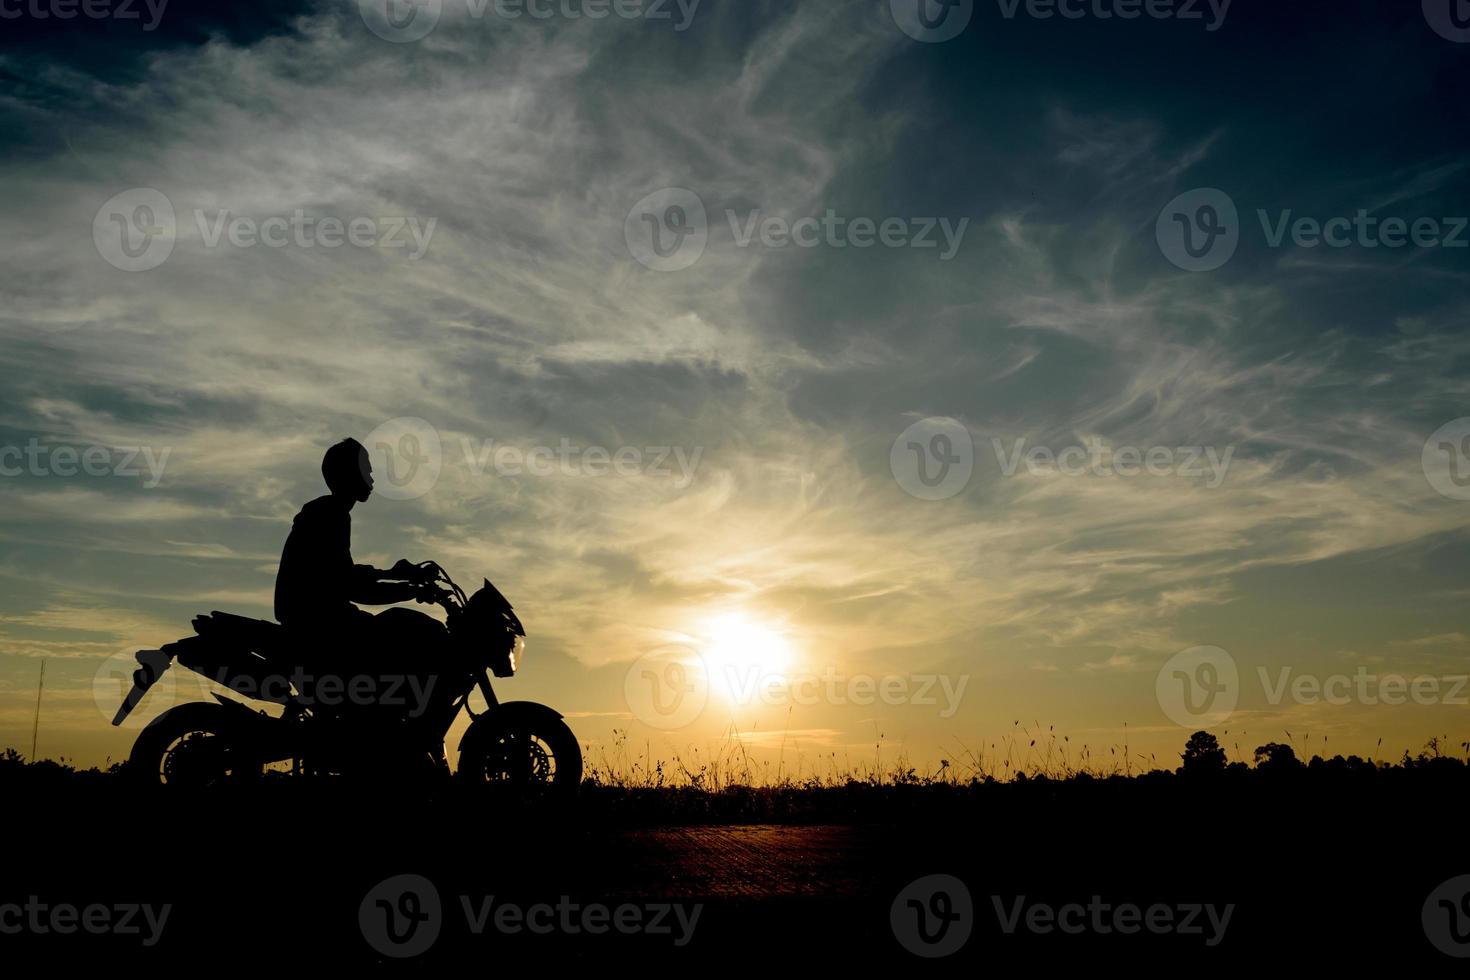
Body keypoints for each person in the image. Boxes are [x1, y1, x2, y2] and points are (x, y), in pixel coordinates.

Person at [273, 438, 450, 737]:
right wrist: (411, 590)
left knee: (394, 629)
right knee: (402, 630)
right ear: (347, 474)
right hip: (318, 623)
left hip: (320, 618)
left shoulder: (330, 512)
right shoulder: (330, 514)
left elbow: (343, 574)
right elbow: (350, 587)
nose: (371, 477)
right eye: (365, 469)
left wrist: (396, 575)